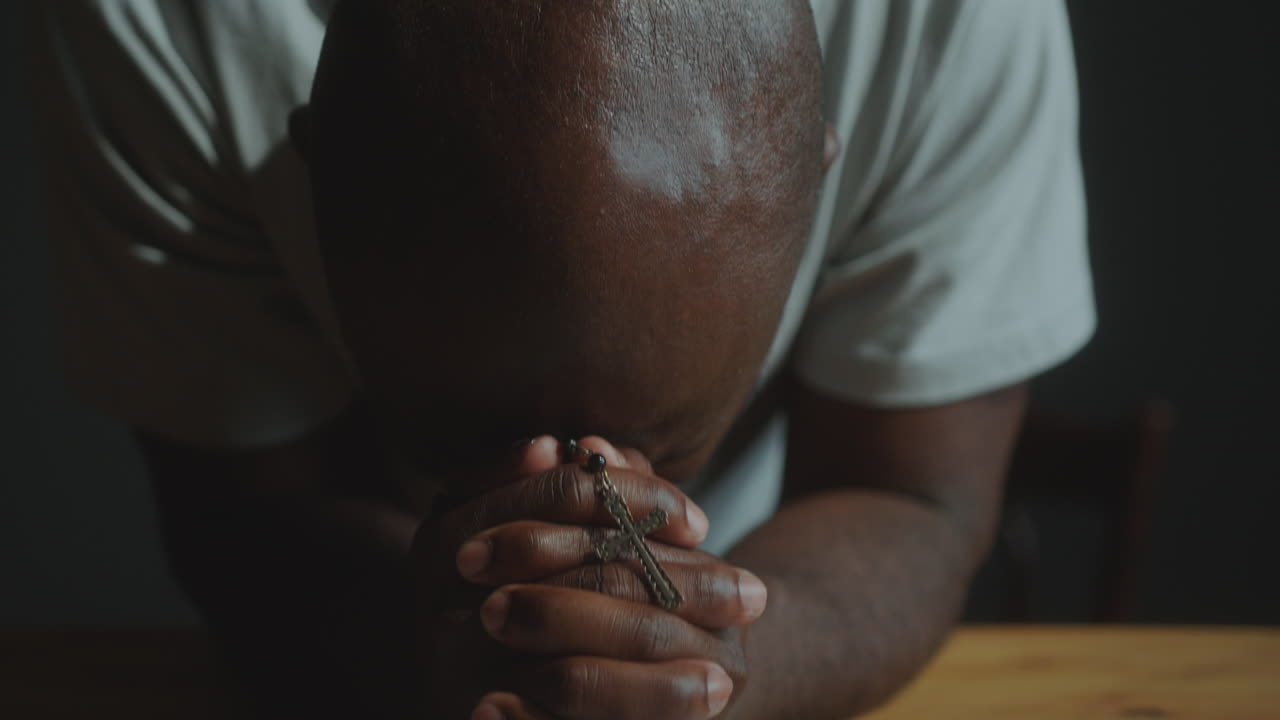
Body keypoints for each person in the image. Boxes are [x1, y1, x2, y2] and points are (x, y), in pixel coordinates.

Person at [29, 0, 1094, 717]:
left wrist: (705, 668)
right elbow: (241, 516)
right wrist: (426, 635)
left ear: (812, 179)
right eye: (471, 434)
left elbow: (914, 495)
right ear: (314, 181)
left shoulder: (954, 23)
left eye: (664, 441)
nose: (584, 499)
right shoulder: (154, 24)